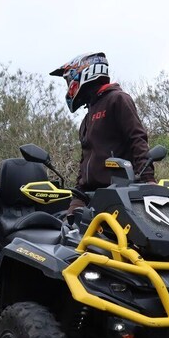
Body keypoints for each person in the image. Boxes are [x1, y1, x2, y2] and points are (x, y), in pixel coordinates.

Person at [49, 51, 154, 216]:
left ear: (84, 72)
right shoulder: (87, 117)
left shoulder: (118, 99)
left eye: (69, 79)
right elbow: (86, 160)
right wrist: (78, 193)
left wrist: (148, 180)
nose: (69, 85)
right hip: (89, 194)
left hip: (119, 192)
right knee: (65, 231)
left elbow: (138, 138)